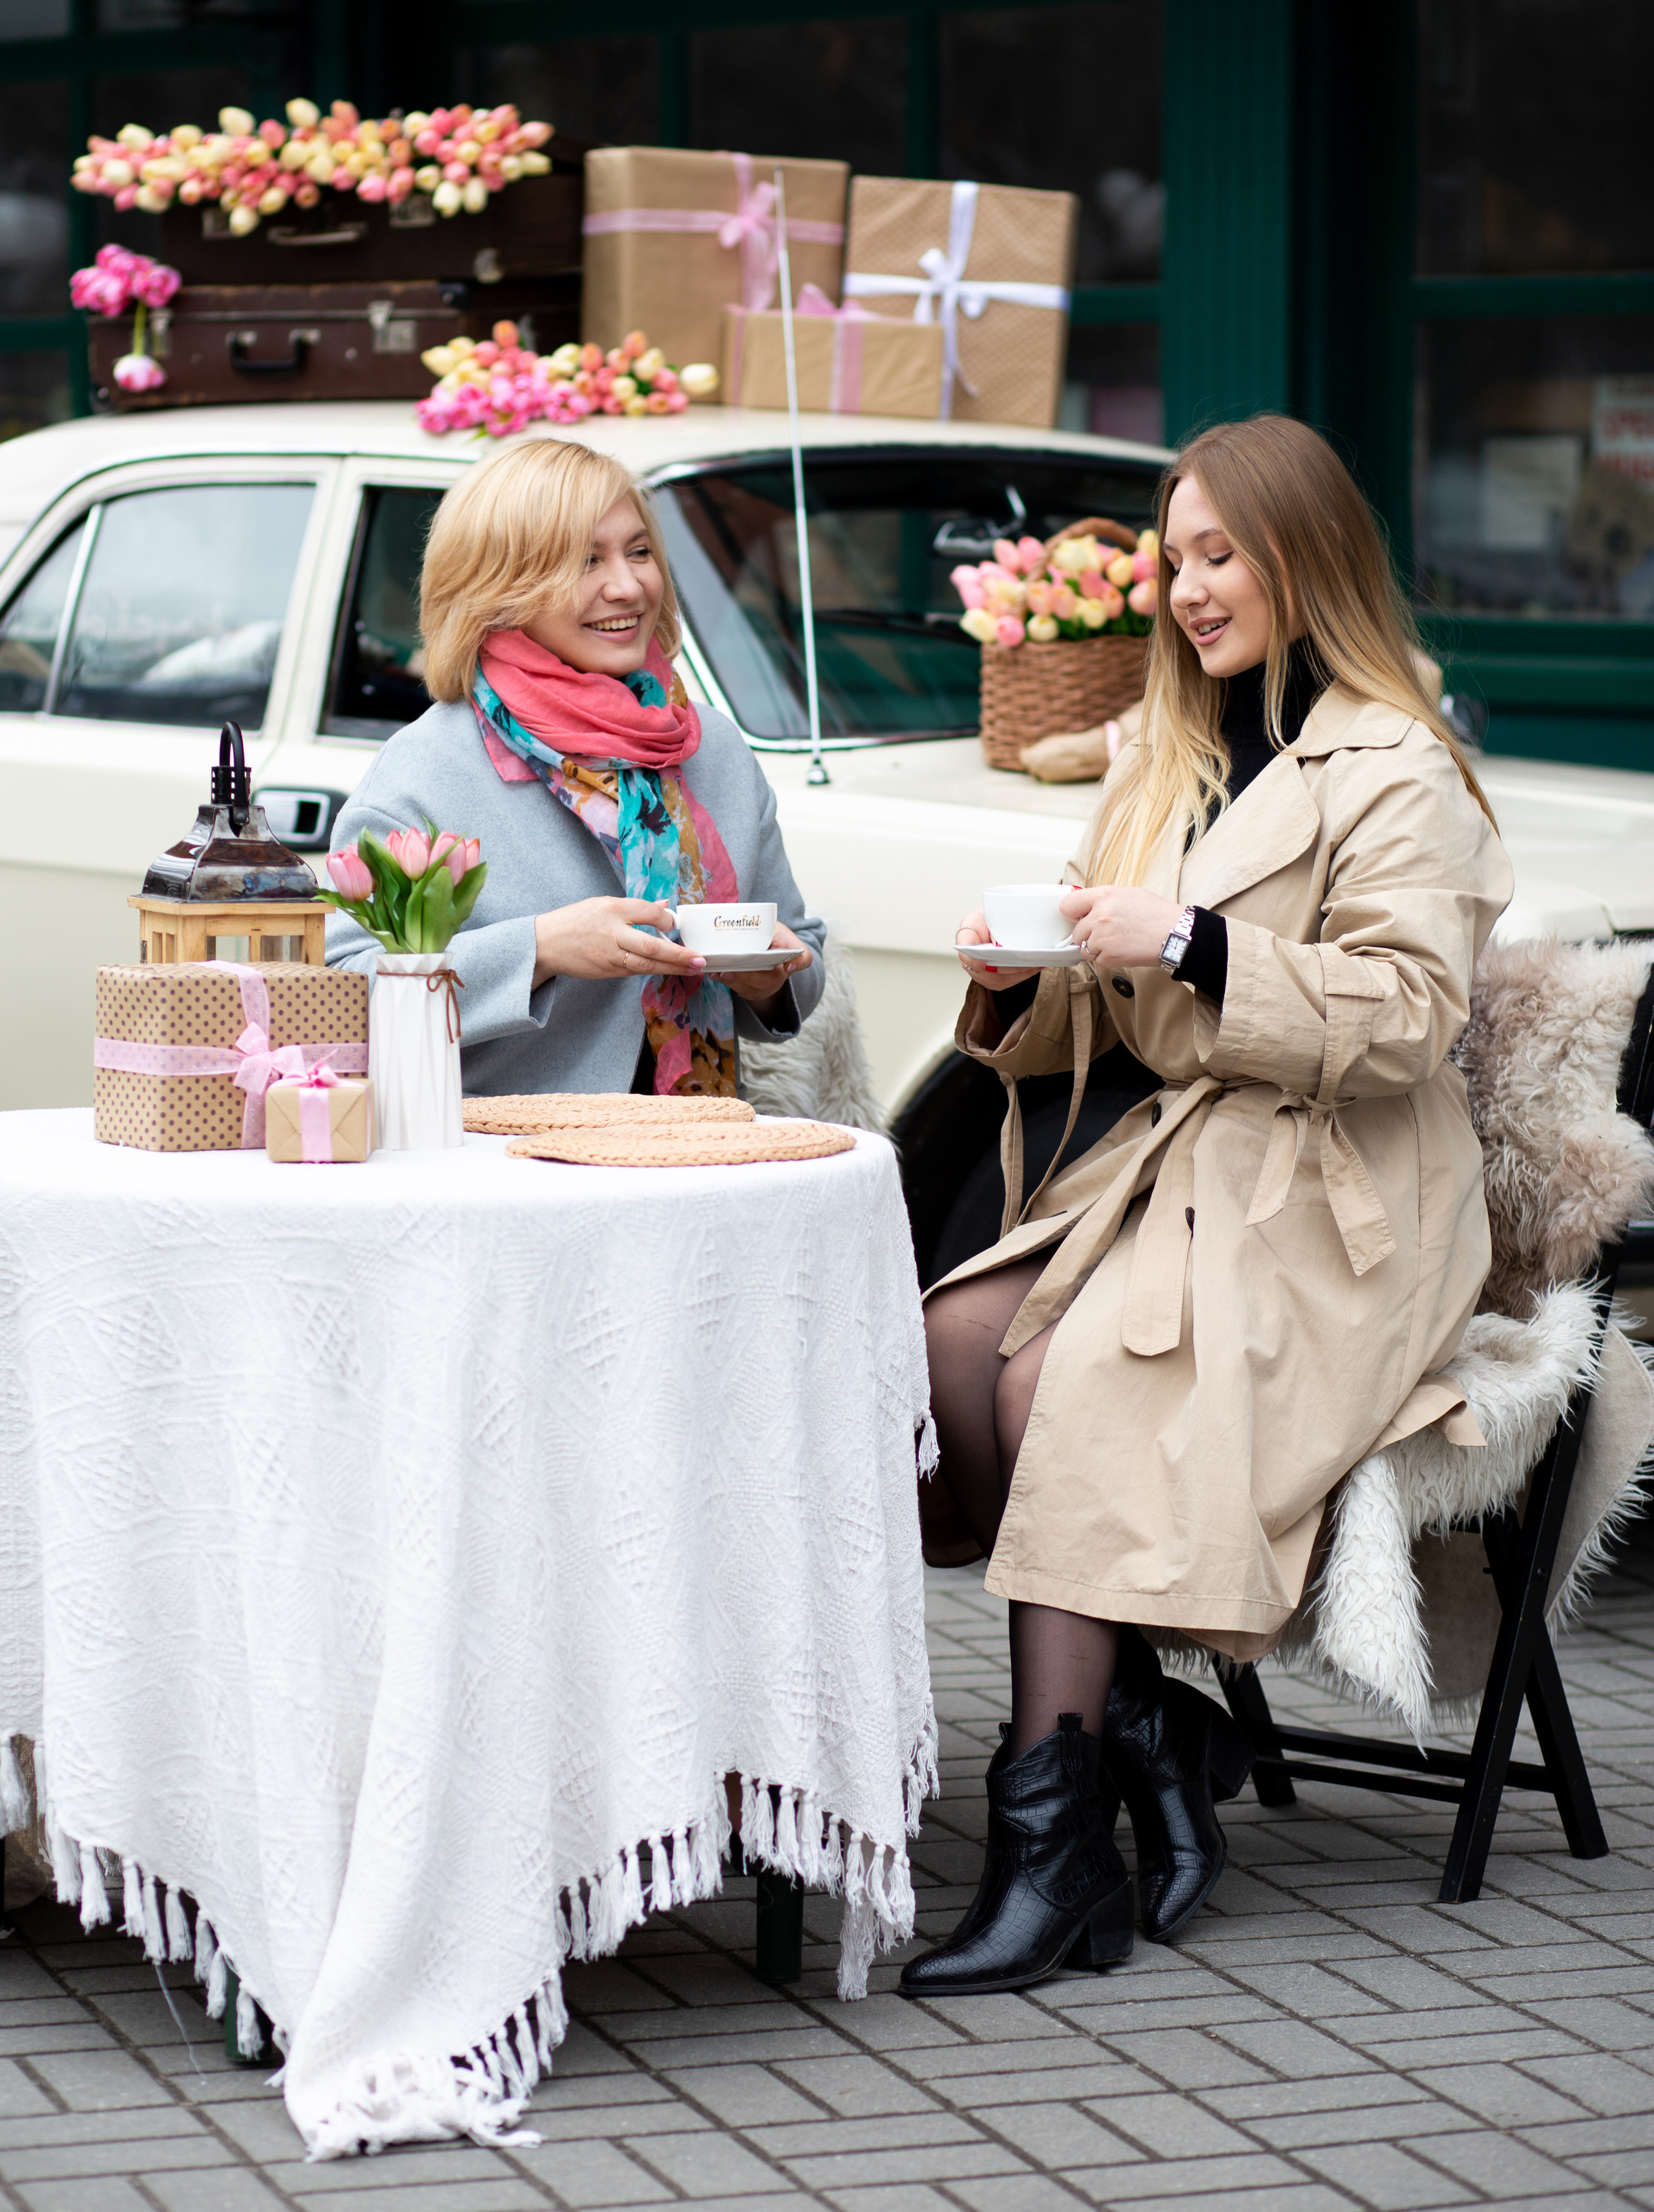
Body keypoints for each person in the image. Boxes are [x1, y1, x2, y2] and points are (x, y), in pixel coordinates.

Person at [906, 414, 1513, 1997]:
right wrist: (1015, 985)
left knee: (1067, 1377)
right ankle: (1146, 1732)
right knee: (946, 1342)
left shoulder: (1400, 764)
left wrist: (1187, 940)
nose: (1184, 588)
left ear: (1304, 557)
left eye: (1217, 553)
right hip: (1176, 1167)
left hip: (1337, 1191)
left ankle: (1050, 1856)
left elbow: (1401, 1019)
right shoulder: (1161, 752)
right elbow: (1103, 1021)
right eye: (1173, 557)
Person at [326, 437, 825, 1096]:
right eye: (585, 561)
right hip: (507, 1170)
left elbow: (803, 956)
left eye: (639, 551)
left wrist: (770, 980)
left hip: (692, 1154)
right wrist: (538, 949)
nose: (627, 586)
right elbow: (343, 998)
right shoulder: (427, 767)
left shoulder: (716, 750)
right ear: (501, 589)